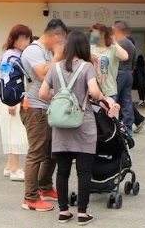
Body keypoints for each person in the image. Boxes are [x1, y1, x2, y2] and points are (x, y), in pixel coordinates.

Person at [38, 30, 119, 226]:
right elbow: (93, 92)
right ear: (83, 47)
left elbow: (42, 94)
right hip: (83, 123)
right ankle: (82, 213)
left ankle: (64, 211)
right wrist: (99, 96)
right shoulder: (86, 67)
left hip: (61, 125)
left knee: (62, 170)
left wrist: (58, 100)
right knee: (84, 171)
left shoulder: (55, 67)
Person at [20, 19, 68, 212]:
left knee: (52, 152)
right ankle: (30, 198)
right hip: (35, 108)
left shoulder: (47, 52)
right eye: (62, 39)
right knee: (36, 153)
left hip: (48, 108)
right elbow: (42, 75)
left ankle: (45, 188)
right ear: (56, 36)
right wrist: (57, 56)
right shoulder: (33, 50)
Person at [0, 24, 32, 182]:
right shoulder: (13, 56)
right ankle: (15, 168)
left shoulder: (11, 54)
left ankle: (9, 166)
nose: (26, 41)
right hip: (13, 98)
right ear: (15, 39)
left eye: (27, 38)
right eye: (23, 38)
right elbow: (6, 78)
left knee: (14, 132)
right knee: (17, 133)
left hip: (10, 98)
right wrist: (12, 103)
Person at [112, 21, 145, 135]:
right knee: (126, 101)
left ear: (117, 30)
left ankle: (108, 125)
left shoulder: (118, 44)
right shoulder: (131, 44)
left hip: (119, 74)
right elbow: (134, 61)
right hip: (128, 74)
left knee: (111, 99)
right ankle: (128, 128)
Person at [89, 23, 129, 101]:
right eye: (91, 33)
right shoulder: (91, 48)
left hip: (109, 91)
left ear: (103, 34)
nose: (92, 36)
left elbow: (125, 57)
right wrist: (88, 58)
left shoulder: (112, 49)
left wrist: (115, 43)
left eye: (94, 33)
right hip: (94, 92)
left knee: (110, 112)